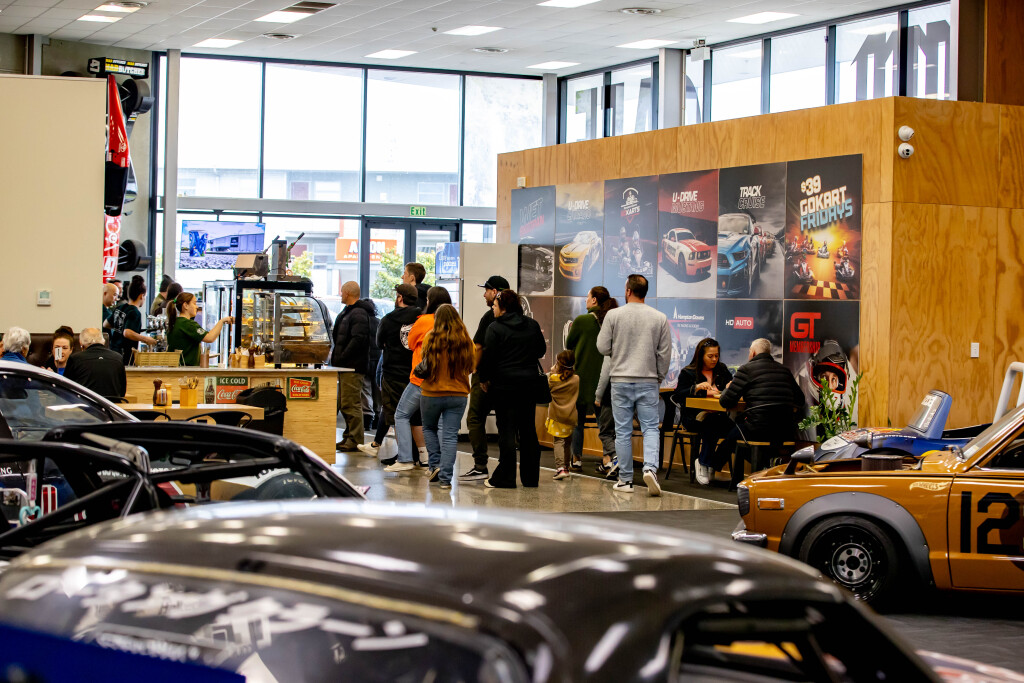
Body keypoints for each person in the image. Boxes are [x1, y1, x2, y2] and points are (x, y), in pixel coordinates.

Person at [596, 274, 671, 496]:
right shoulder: (659, 318)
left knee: (622, 431)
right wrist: (659, 376)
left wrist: (618, 350)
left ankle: (626, 480)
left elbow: (602, 347)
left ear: (628, 290)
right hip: (648, 380)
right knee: (650, 428)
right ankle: (650, 469)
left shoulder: (613, 315)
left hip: (620, 380)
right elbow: (664, 354)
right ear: (645, 292)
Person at [699, 338, 805, 487]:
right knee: (737, 433)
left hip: (758, 429)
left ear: (753, 353)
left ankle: (712, 466)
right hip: (785, 430)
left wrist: (728, 389)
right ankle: (767, 464)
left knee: (735, 434)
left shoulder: (746, 369)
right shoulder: (785, 371)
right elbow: (800, 399)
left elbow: (725, 402)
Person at [477, 289, 546, 489]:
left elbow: (488, 357)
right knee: (528, 430)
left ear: (504, 308)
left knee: (506, 431)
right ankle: (530, 478)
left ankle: (506, 478)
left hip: (504, 386)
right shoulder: (532, 325)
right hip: (529, 385)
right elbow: (541, 350)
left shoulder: (495, 327)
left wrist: (484, 379)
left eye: (495, 305)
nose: (493, 308)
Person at [387, 286, 452, 474]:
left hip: (420, 379)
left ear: (431, 302)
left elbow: (410, 342)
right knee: (440, 423)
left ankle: (405, 458)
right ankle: (439, 463)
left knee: (401, 415)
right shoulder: (452, 324)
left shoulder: (424, 321)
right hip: (443, 380)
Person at [359, 284, 422, 459]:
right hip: (415, 374)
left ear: (400, 298)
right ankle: (414, 455)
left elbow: (379, 343)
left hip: (393, 373)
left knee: (395, 415)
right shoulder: (421, 318)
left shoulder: (388, 319)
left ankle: (404, 456)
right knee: (414, 416)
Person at [419, 304, 474, 489]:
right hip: (458, 394)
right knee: (450, 436)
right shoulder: (466, 341)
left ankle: (434, 465)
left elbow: (424, 363)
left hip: (431, 393)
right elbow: (471, 367)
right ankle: (445, 479)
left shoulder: (430, 337)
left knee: (429, 428)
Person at [462, 274, 510, 482]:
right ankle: (506, 466)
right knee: (505, 421)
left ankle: (480, 465)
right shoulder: (520, 318)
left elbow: (479, 346)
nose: (484, 295)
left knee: (475, 418)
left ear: (495, 292)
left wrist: (473, 368)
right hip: (508, 378)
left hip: (485, 377)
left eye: (487, 291)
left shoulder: (489, 317)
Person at [565, 286, 618, 473]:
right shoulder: (612, 320)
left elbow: (568, 344)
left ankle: (576, 459)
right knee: (604, 424)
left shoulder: (582, 320)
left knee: (578, 422)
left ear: (594, 300)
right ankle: (607, 458)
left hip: (582, 379)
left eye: (588, 297)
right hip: (605, 381)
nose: (586, 300)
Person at [671, 337, 734, 472]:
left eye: (716, 356)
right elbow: (678, 395)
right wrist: (696, 387)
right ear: (701, 356)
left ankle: (711, 463)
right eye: (710, 356)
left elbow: (732, 386)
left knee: (737, 431)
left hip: (718, 415)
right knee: (712, 423)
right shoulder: (688, 372)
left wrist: (731, 387)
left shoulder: (722, 369)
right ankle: (705, 463)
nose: (714, 359)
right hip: (693, 417)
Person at [330, 281, 376, 452]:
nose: (340, 294)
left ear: (348, 293)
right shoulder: (349, 311)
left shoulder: (358, 313)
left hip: (352, 366)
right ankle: (349, 437)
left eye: (342, 291)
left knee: (351, 403)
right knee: (345, 403)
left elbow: (358, 339)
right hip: (346, 366)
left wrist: (342, 356)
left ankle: (355, 439)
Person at [166, 292, 233, 366]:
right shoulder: (187, 324)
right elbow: (210, 338)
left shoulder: (176, 322)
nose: (197, 307)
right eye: (194, 303)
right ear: (185, 305)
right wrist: (222, 321)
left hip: (177, 367)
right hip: (186, 369)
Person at [106, 275, 156, 365]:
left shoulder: (121, 307)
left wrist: (119, 326)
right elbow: (127, 332)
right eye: (145, 296)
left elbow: (106, 324)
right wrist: (146, 339)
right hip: (125, 356)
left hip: (113, 351)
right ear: (141, 296)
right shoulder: (135, 312)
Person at [64, 328, 126, 399]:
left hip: (86, 403)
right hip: (112, 404)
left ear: (81, 343)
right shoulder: (118, 358)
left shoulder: (75, 359)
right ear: (103, 341)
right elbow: (122, 391)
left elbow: (66, 388)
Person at [546, 350, 579, 481]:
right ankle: (566, 467)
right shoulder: (576, 379)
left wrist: (552, 371)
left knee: (558, 441)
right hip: (570, 416)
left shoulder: (553, 379)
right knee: (567, 442)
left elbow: (548, 384)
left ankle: (560, 468)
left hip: (557, 416)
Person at [361, 297, 382, 432]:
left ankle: (367, 418)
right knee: (377, 390)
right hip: (378, 360)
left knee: (365, 389)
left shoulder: (361, 322)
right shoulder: (379, 322)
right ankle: (378, 417)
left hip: (365, 360)